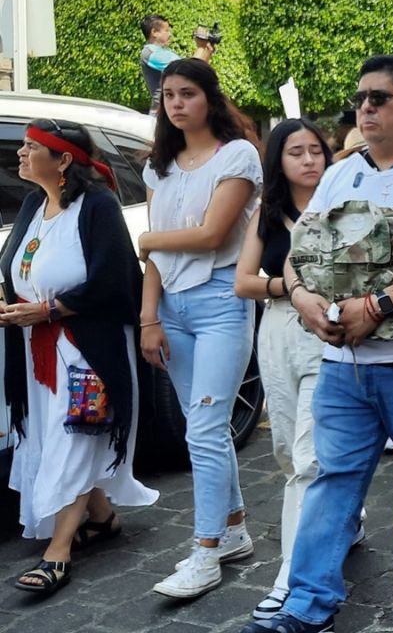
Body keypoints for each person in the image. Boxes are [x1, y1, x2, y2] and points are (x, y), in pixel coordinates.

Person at [242, 54, 393, 633]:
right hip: (342, 365)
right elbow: (299, 254)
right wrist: (303, 302)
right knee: (331, 479)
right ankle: (308, 603)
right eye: (360, 98)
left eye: (379, 98)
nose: (365, 107)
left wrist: (378, 306)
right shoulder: (340, 173)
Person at [1, 119, 158, 596]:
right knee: (52, 436)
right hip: (36, 348)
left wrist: (49, 308)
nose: (21, 156)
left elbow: (116, 282)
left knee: (78, 436)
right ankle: (102, 517)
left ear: (64, 159)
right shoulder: (32, 204)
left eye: (32, 148)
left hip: (84, 347)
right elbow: (18, 268)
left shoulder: (99, 207)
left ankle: (59, 551)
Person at [139, 59, 261, 599]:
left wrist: (148, 241)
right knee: (201, 427)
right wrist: (148, 318)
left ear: (209, 98)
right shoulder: (157, 166)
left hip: (219, 303)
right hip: (171, 309)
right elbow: (156, 258)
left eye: (188, 93)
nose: (177, 103)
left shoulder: (237, 155)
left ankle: (204, 551)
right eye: (169, 95)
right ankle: (233, 530)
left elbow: (213, 235)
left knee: (205, 431)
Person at [232, 119, 339, 621]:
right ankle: (349, 519)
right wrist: (288, 289)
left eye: (316, 150)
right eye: (296, 151)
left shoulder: (344, 204)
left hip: (328, 336)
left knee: (306, 457)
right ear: (279, 160)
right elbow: (243, 282)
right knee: (284, 452)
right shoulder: (267, 213)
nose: (309, 159)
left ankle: (291, 577)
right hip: (276, 332)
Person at [139, 15, 213, 114]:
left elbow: (197, 70)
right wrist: (200, 47)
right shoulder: (151, 53)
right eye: (166, 30)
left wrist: (207, 50)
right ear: (154, 32)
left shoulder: (164, 52)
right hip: (162, 115)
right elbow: (189, 69)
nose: (170, 34)